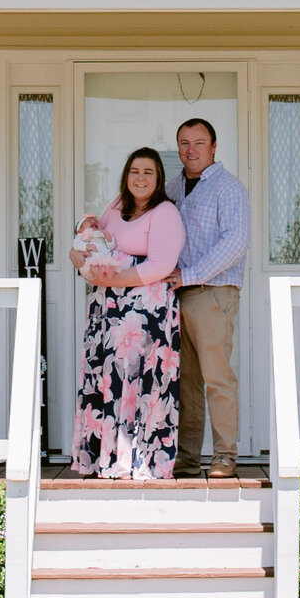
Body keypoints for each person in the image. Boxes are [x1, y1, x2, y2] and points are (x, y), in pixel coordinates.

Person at [68, 146, 184, 479]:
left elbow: (162, 264)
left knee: (138, 384)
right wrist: (79, 259)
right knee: (109, 381)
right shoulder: (116, 208)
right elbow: (91, 245)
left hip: (145, 314)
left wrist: (112, 278)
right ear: (126, 175)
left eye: (148, 172)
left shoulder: (165, 212)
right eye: (135, 171)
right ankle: (104, 458)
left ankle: (138, 461)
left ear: (159, 177)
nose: (141, 178)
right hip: (107, 312)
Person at [166, 117, 249, 479]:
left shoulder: (228, 188)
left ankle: (224, 457)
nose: (191, 149)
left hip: (213, 293)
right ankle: (185, 460)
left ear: (214, 147)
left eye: (199, 142)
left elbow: (234, 242)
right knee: (186, 383)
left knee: (217, 378)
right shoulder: (172, 188)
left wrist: (191, 274)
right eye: (184, 143)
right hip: (176, 296)